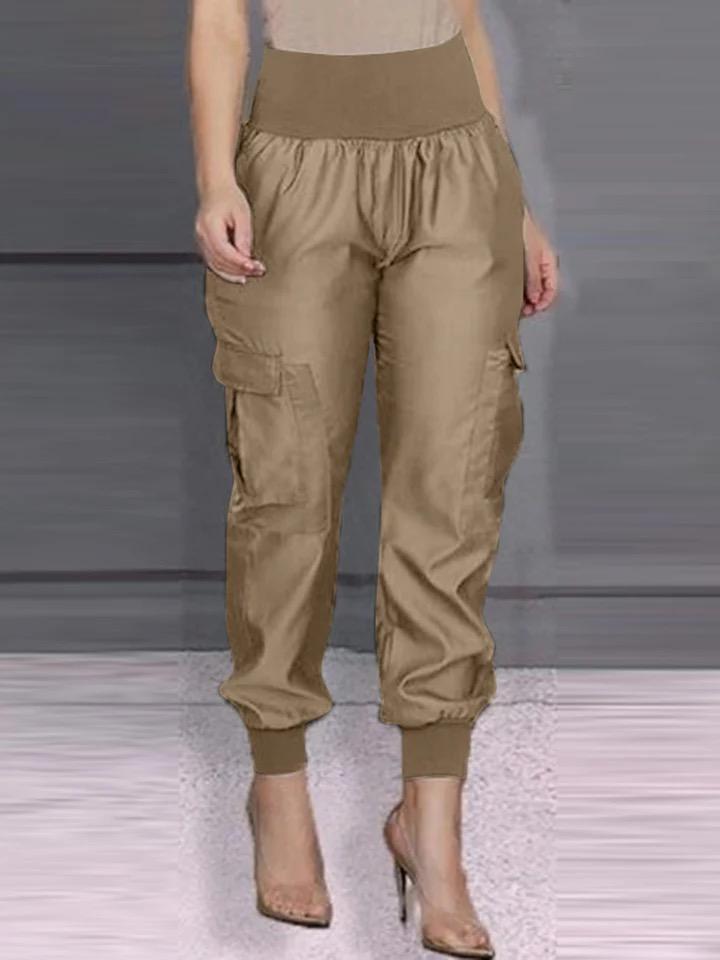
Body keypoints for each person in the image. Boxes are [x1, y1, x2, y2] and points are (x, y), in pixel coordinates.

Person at [187, 1, 558, 955]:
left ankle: (431, 831)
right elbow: (220, 21)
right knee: (286, 493)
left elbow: (462, 18)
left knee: (453, 493)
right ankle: (278, 787)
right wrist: (216, 176)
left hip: (459, 172)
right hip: (295, 169)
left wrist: (513, 200)